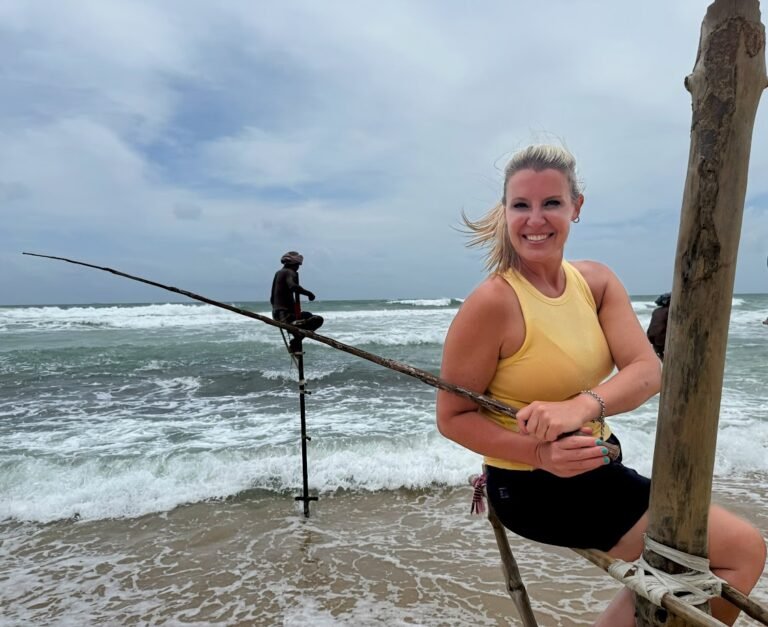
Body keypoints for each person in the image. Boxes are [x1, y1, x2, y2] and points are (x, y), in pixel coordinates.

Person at [435, 144, 765, 626]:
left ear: (576, 207)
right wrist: (540, 454)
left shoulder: (595, 282)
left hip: (601, 469)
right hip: (535, 487)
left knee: (692, 566)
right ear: (504, 212)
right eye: (520, 205)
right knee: (741, 551)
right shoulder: (493, 303)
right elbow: (452, 418)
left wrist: (580, 406)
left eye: (551, 203)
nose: (535, 219)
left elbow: (647, 371)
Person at [270, 251, 324, 334]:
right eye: (298, 265)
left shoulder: (278, 273)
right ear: (294, 264)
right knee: (318, 319)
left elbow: (272, 299)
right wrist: (309, 294)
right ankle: (298, 337)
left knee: (307, 315)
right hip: (286, 316)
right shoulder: (290, 272)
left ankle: (297, 336)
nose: (298, 267)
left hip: (276, 315)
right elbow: (293, 286)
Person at [646, 292, 670, 359]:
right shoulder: (669, 311)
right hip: (662, 339)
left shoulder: (656, 311)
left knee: (661, 355)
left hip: (652, 339)